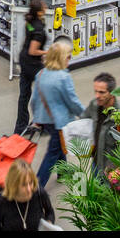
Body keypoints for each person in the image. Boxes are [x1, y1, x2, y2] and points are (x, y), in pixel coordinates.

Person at [30, 39, 84, 189]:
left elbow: (34, 99)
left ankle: (63, 173)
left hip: (45, 120)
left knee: (60, 145)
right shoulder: (63, 77)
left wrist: (36, 117)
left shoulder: (41, 74)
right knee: (52, 153)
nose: (70, 59)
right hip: (59, 122)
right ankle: (37, 187)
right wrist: (85, 114)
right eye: (68, 56)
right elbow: (72, 101)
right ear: (60, 57)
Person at [0, 159, 54, 231]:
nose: (29, 189)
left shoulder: (39, 193)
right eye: (24, 185)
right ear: (14, 185)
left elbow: (49, 212)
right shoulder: (1, 201)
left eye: (30, 182)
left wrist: (49, 223)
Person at [14, 0, 49, 134]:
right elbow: (33, 51)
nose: (46, 6)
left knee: (24, 95)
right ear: (39, 12)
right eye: (44, 6)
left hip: (24, 61)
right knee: (44, 93)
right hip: (32, 64)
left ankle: (20, 128)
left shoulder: (30, 22)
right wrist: (48, 52)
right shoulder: (39, 29)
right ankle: (40, 124)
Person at [80, 72, 120, 176]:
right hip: (96, 163)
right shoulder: (94, 104)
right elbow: (83, 119)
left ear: (112, 93)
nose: (97, 96)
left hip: (110, 171)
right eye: (96, 91)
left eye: (102, 92)